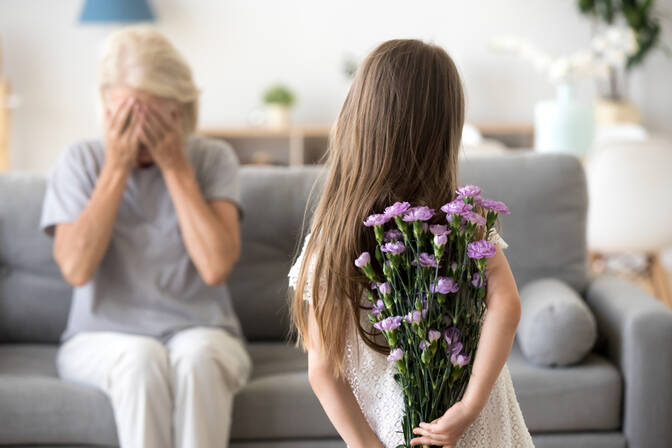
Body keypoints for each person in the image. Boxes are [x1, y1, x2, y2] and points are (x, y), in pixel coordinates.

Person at [288, 40, 534, 448]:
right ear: (443, 134)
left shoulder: (330, 240)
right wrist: (469, 407)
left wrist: (366, 445)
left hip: (393, 433)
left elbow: (323, 371)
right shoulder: (460, 224)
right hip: (473, 425)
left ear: (358, 120)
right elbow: (506, 303)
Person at [40, 26, 250, 448]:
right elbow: (76, 269)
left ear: (180, 111)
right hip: (100, 337)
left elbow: (215, 267)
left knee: (199, 357)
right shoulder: (79, 162)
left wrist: (175, 167)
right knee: (140, 359)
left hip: (205, 330)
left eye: (152, 120)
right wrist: (116, 169)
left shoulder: (212, 159)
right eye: (125, 117)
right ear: (105, 109)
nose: (139, 135)